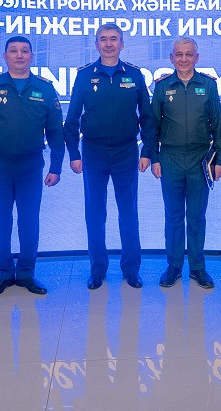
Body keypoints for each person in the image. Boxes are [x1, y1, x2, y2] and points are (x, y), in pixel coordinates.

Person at [0, 36, 64, 299]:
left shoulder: (44, 88)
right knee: (0, 220)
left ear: (32, 56)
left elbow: (56, 132)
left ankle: (26, 273)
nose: (19, 55)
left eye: (24, 51)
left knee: (29, 220)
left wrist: (56, 167)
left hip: (31, 166)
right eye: (13, 51)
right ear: (5, 56)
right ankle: (3, 273)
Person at [64, 23, 153, 290]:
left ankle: (131, 270)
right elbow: (72, 119)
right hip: (94, 152)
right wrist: (74, 153)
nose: (109, 44)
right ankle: (97, 270)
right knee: (95, 213)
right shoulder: (84, 76)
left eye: (114, 39)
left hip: (127, 152)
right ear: (96, 45)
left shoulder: (135, 75)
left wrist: (147, 151)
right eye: (103, 39)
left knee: (129, 213)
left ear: (122, 44)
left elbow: (147, 117)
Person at [150, 37, 221, 289]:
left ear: (196, 57)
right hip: (170, 158)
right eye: (179, 54)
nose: (184, 59)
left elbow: (218, 124)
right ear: (171, 58)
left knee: (196, 216)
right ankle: (173, 266)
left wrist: (219, 159)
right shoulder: (162, 86)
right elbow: (153, 126)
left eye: (189, 54)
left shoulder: (208, 85)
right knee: (173, 216)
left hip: (199, 160)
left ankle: (197, 268)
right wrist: (154, 157)